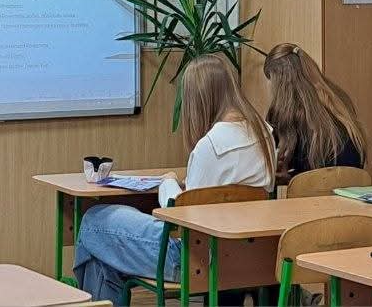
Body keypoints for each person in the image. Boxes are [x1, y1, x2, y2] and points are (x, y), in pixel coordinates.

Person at [74, 54, 274, 303]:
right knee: (103, 253)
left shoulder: (210, 146)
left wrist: (169, 181)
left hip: (195, 259)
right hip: (250, 257)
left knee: (94, 221)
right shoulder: (265, 134)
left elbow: (182, 216)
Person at [262, 42, 368, 178]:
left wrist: (287, 177)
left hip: (317, 188)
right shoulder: (338, 99)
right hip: (353, 182)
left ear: (278, 82)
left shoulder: (282, 114)